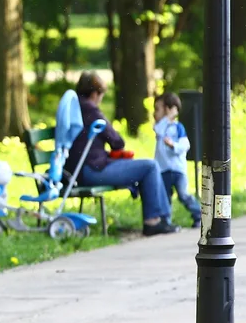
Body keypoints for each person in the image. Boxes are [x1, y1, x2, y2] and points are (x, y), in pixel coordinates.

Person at [66, 71, 178, 236]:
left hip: (76, 170)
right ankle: (155, 221)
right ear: (95, 94)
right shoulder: (91, 110)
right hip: (91, 170)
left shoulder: (73, 108)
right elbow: (117, 142)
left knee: (146, 167)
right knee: (150, 166)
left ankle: (160, 220)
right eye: (101, 95)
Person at [153, 93, 201, 228]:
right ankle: (165, 221)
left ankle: (199, 214)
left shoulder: (178, 127)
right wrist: (167, 118)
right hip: (163, 169)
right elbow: (158, 130)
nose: (154, 113)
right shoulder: (160, 127)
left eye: (157, 109)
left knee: (183, 195)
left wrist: (173, 145)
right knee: (165, 197)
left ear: (168, 109)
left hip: (178, 170)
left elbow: (185, 145)